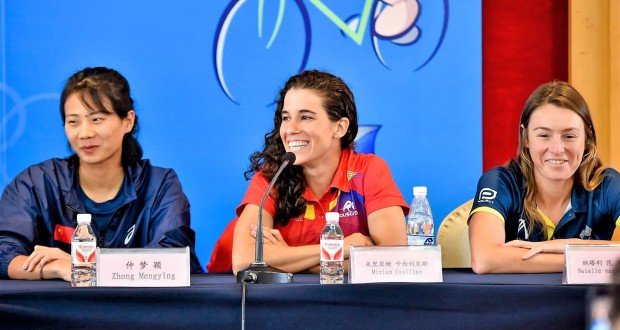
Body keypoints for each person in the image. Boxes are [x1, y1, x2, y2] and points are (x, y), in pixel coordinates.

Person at [0, 67, 202, 281]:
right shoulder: (37, 183)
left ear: (128, 121)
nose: (85, 133)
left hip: (136, 312)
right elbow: (4, 254)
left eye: (96, 119)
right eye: (73, 122)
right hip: (57, 311)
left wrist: (84, 264)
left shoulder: (159, 185)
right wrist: (58, 268)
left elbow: (173, 260)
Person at [208, 70, 408, 274]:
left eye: (305, 117)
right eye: (286, 118)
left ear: (339, 127)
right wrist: (340, 249)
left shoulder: (369, 170)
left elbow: (390, 260)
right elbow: (244, 260)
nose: (290, 129)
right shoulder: (272, 177)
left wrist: (288, 259)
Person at [468, 81, 620, 274]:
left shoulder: (607, 184)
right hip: (515, 303)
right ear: (525, 138)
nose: (557, 149)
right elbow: (484, 259)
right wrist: (579, 257)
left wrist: (561, 245)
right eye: (544, 135)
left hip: (586, 303)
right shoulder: (500, 182)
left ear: (587, 137)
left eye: (569, 136)